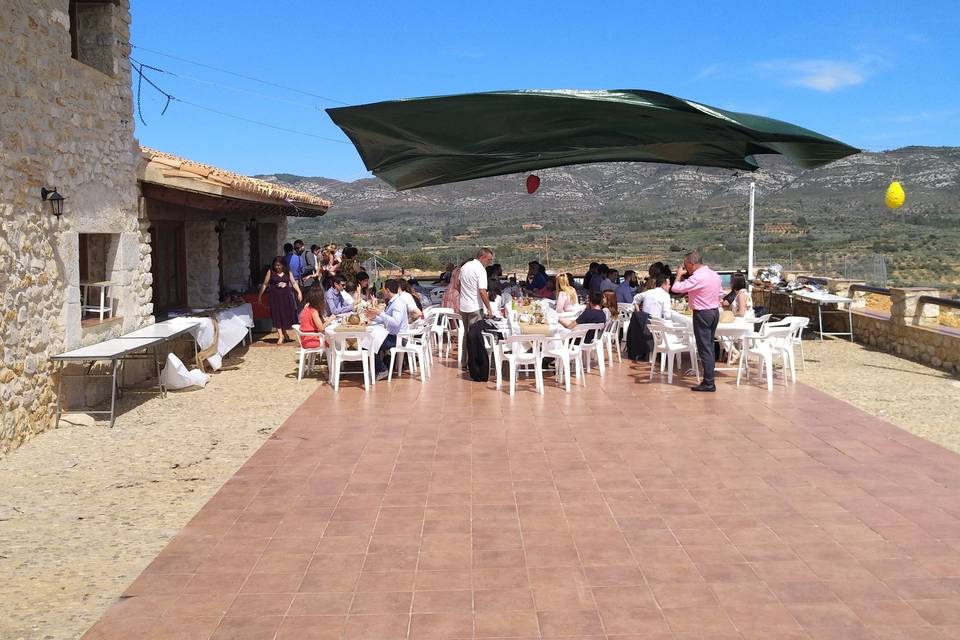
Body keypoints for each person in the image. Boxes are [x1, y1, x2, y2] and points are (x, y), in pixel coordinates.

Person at [672, 250, 723, 392]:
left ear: (691, 263)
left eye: (685, 264)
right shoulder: (714, 275)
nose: (684, 267)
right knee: (710, 346)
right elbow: (720, 294)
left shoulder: (698, 277)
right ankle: (709, 378)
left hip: (702, 313)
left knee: (704, 348)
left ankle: (709, 382)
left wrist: (678, 276)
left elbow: (676, 288)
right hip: (714, 311)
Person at [364, 278, 408, 380]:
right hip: (393, 336)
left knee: (367, 344)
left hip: (399, 339)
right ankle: (378, 368)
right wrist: (374, 317)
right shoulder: (394, 302)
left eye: (383, 289)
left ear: (387, 290)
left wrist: (380, 313)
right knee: (369, 341)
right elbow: (386, 320)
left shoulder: (398, 303)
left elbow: (395, 322)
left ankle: (382, 369)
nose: (382, 291)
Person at [258, 256, 302, 345]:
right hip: (275, 297)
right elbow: (265, 284)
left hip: (286, 297)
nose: (277, 267)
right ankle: (280, 335)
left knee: (285, 314)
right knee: (277, 314)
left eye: (279, 265)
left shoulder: (287, 272)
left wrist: (299, 292)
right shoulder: (271, 272)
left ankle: (285, 332)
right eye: (276, 265)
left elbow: (293, 283)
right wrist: (260, 295)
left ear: (283, 265)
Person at [459, 248, 495, 333]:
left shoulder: (464, 267)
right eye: (489, 259)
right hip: (475, 306)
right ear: (482, 257)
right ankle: (474, 347)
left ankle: (466, 347)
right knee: (475, 334)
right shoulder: (480, 269)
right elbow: (482, 291)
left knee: (466, 333)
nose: (490, 262)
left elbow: (459, 284)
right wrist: (489, 308)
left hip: (463, 306)